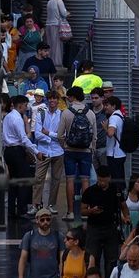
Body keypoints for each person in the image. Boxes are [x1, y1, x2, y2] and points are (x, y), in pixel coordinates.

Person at [59, 86, 98, 217]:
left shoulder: (66, 113)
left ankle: (70, 212)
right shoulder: (90, 113)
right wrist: (91, 149)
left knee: (70, 180)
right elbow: (94, 135)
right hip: (86, 151)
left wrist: (64, 145)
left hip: (70, 150)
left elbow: (60, 134)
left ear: (72, 97)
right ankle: (85, 211)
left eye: (69, 97)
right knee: (85, 180)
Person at [83, 166, 123, 278]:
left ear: (109, 178)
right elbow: (82, 210)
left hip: (111, 227)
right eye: (100, 180)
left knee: (111, 258)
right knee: (92, 256)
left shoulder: (116, 190)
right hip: (94, 227)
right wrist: (91, 211)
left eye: (104, 180)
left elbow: (123, 206)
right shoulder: (90, 191)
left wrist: (126, 217)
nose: (102, 183)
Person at [33, 91, 66, 216]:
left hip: (58, 151)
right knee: (38, 178)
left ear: (58, 100)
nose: (52, 101)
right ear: (47, 100)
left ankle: (51, 204)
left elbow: (63, 136)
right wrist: (52, 136)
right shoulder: (42, 113)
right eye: (50, 98)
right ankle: (36, 204)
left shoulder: (62, 115)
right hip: (44, 150)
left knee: (56, 180)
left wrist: (48, 133)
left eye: (54, 98)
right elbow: (37, 134)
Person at [3, 95, 35, 220]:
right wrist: (35, 151)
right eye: (26, 105)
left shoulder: (8, 117)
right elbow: (23, 139)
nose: (26, 108)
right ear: (20, 105)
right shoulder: (17, 119)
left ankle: (11, 210)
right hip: (17, 151)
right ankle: (22, 210)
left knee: (13, 181)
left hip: (9, 152)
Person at [45, 0, 69, 69]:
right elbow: (64, 13)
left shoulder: (49, 1)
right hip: (56, 25)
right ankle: (57, 64)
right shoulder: (59, 1)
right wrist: (68, 13)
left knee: (50, 44)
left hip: (48, 25)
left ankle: (49, 61)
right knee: (57, 46)